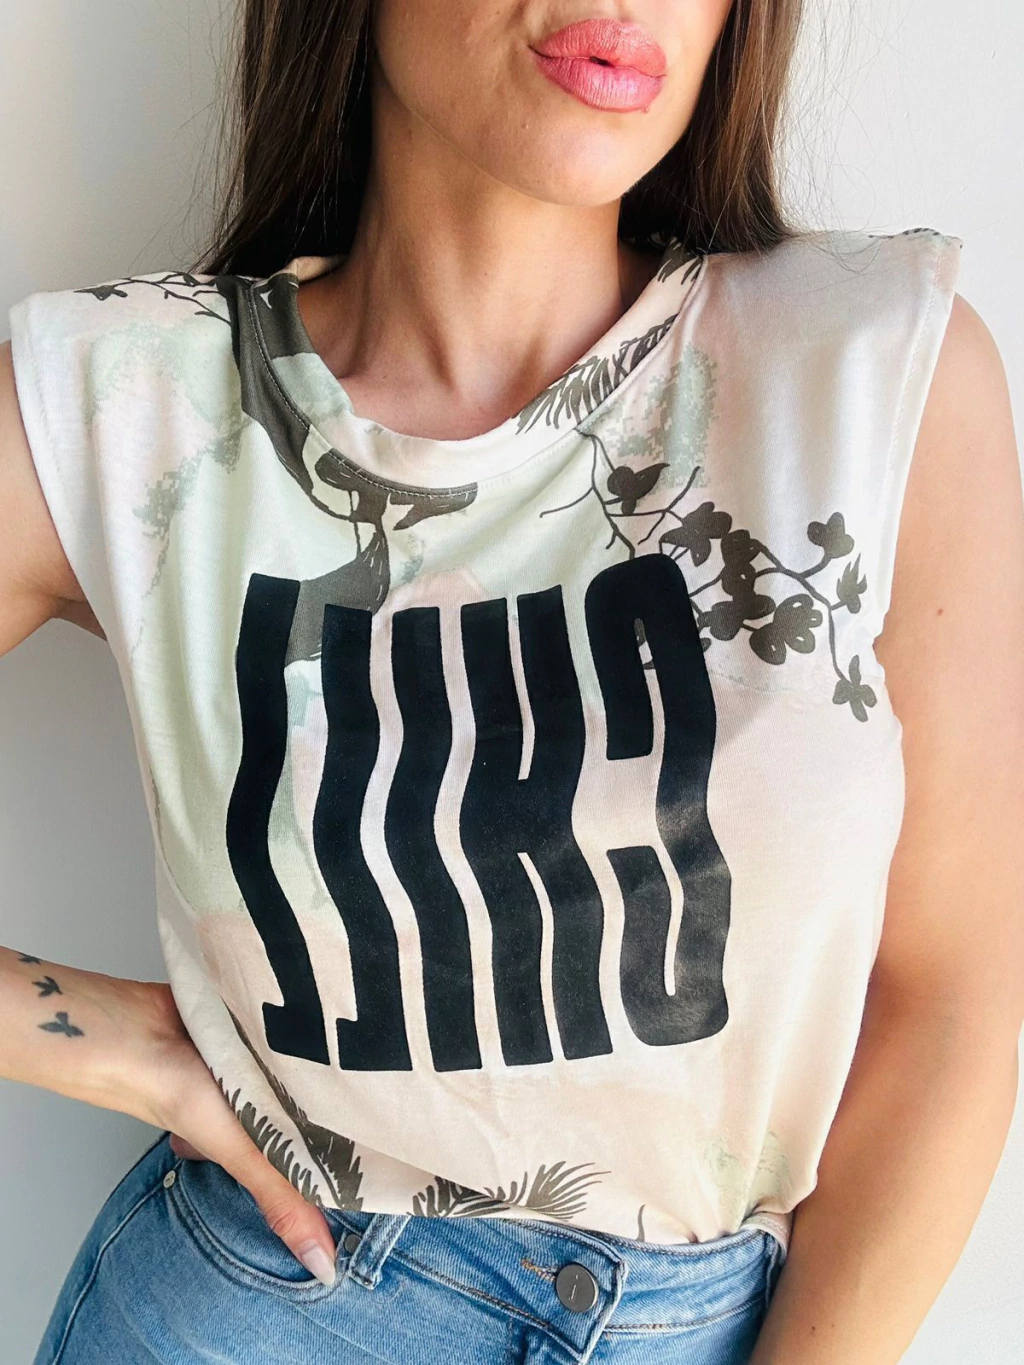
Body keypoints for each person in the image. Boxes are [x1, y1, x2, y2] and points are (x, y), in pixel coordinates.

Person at [2, 0, 1022, 1361]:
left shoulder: (869, 374)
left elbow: (949, 1001)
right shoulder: (135, 405)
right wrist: (96, 1039)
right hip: (262, 1305)